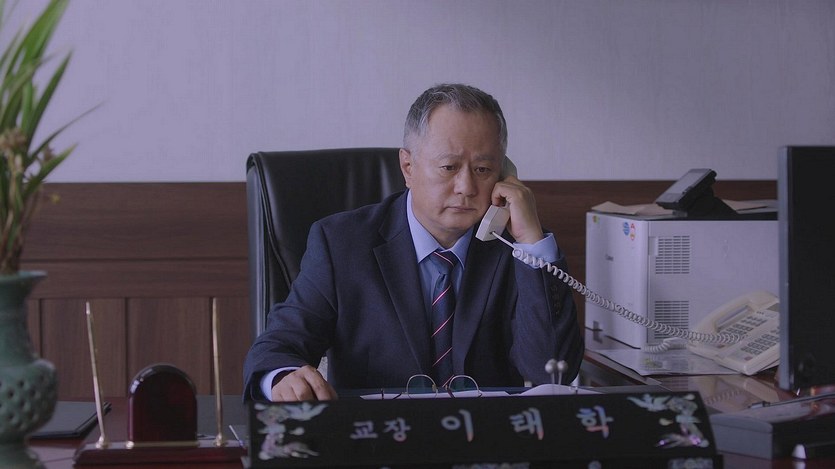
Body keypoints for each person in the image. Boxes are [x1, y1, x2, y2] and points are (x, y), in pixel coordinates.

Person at [243, 83, 584, 401]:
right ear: (408, 166)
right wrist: (283, 377)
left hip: (488, 439)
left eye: (482, 169)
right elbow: (277, 347)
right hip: (378, 437)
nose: (466, 187)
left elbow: (551, 371)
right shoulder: (341, 244)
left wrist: (532, 243)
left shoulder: (517, 249)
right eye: (449, 167)